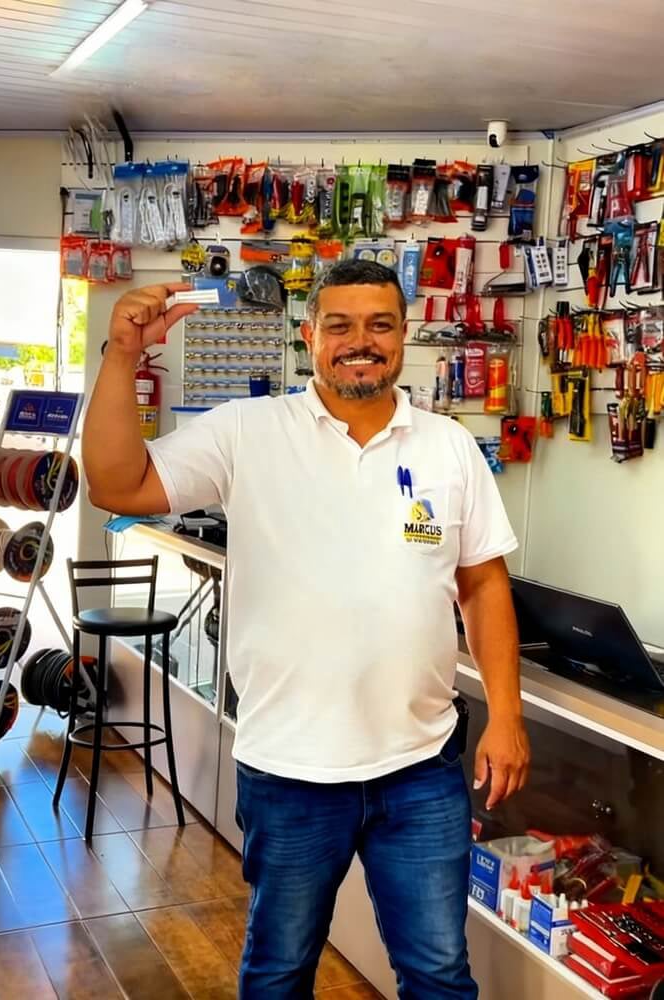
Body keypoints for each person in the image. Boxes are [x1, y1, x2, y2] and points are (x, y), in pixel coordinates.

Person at [83, 260, 530, 1000]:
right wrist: (123, 354)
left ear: (404, 334)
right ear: (310, 335)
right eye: (340, 325)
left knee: (439, 977)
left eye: (380, 325)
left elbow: (483, 584)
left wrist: (506, 715)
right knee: (280, 972)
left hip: (420, 768)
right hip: (290, 770)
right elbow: (115, 484)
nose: (361, 342)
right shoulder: (248, 431)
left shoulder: (448, 445)